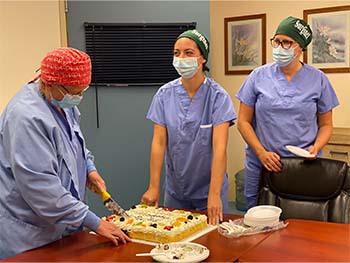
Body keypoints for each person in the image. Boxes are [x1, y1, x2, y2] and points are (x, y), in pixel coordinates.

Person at [0, 47, 130, 259]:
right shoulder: (26, 117)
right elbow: (41, 188)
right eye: (74, 92)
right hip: (28, 233)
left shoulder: (61, 100)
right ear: (49, 83)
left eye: (82, 91)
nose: (78, 98)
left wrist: (89, 168)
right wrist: (94, 222)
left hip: (60, 227)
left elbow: (73, 142)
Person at [236, 16, 339, 209]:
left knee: (301, 217)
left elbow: (326, 125)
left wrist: (316, 147)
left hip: (302, 165)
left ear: (301, 47)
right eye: (276, 41)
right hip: (261, 162)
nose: (280, 47)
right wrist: (261, 153)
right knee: (256, 217)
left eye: (287, 42)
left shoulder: (318, 80)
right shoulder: (258, 76)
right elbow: (243, 122)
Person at [141, 29, 237, 225]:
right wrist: (153, 186)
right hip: (176, 191)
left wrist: (214, 194)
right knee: (174, 244)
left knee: (214, 247)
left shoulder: (218, 97)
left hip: (209, 190)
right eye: (177, 53)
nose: (181, 58)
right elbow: (158, 143)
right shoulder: (164, 95)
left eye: (188, 53)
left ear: (202, 58)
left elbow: (220, 150)